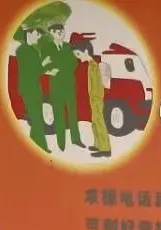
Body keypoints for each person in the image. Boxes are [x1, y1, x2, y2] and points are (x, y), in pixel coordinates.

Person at [42, 22, 82, 151]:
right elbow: (44, 63)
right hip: (56, 85)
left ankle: (76, 140)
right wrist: (55, 67)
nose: (61, 33)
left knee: (72, 113)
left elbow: (74, 62)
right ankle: (61, 143)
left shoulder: (68, 47)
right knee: (59, 114)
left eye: (62, 31)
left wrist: (60, 65)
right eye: (58, 31)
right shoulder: (47, 47)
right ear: (52, 33)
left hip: (69, 84)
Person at [70, 33, 111, 157]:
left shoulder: (94, 66)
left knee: (99, 122)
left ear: (86, 51)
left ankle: (105, 149)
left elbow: (98, 85)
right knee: (94, 122)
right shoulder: (88, 66)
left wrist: (96, 98)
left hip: (96, 99)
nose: (78, 57)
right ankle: (98, 144)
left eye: (78, 54)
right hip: (92, 99)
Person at [14, 24, 49, 152]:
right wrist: (44, 64)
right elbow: (34, 70)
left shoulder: (31, 50)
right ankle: (40, 145)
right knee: (36, 117)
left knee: (36, 116)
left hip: (33, 86)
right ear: (28, 34)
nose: (38, 37)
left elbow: (36, 69)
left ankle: (37, 144)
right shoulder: (23, 50)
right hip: (29, 87)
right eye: (37, 34)